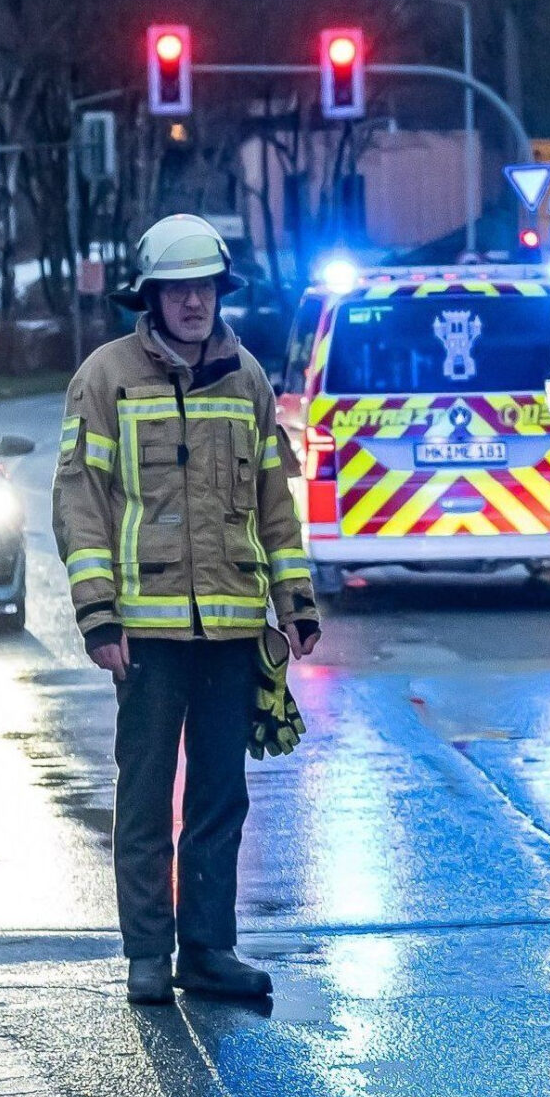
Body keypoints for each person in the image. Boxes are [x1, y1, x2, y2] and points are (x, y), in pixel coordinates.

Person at [52, 214, 319, 1005]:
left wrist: (294, 602)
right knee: (143, 791)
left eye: (204, 287)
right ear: (153, 296)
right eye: (179, 289)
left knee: (218, 794)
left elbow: (276, 503)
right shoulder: (105, 377)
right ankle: (147, 952)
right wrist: (100, 615)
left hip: (233, 627)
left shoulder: (248, 380)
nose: (194, 302)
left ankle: (207, 948)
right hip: (147, 634)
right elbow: (79, 503)